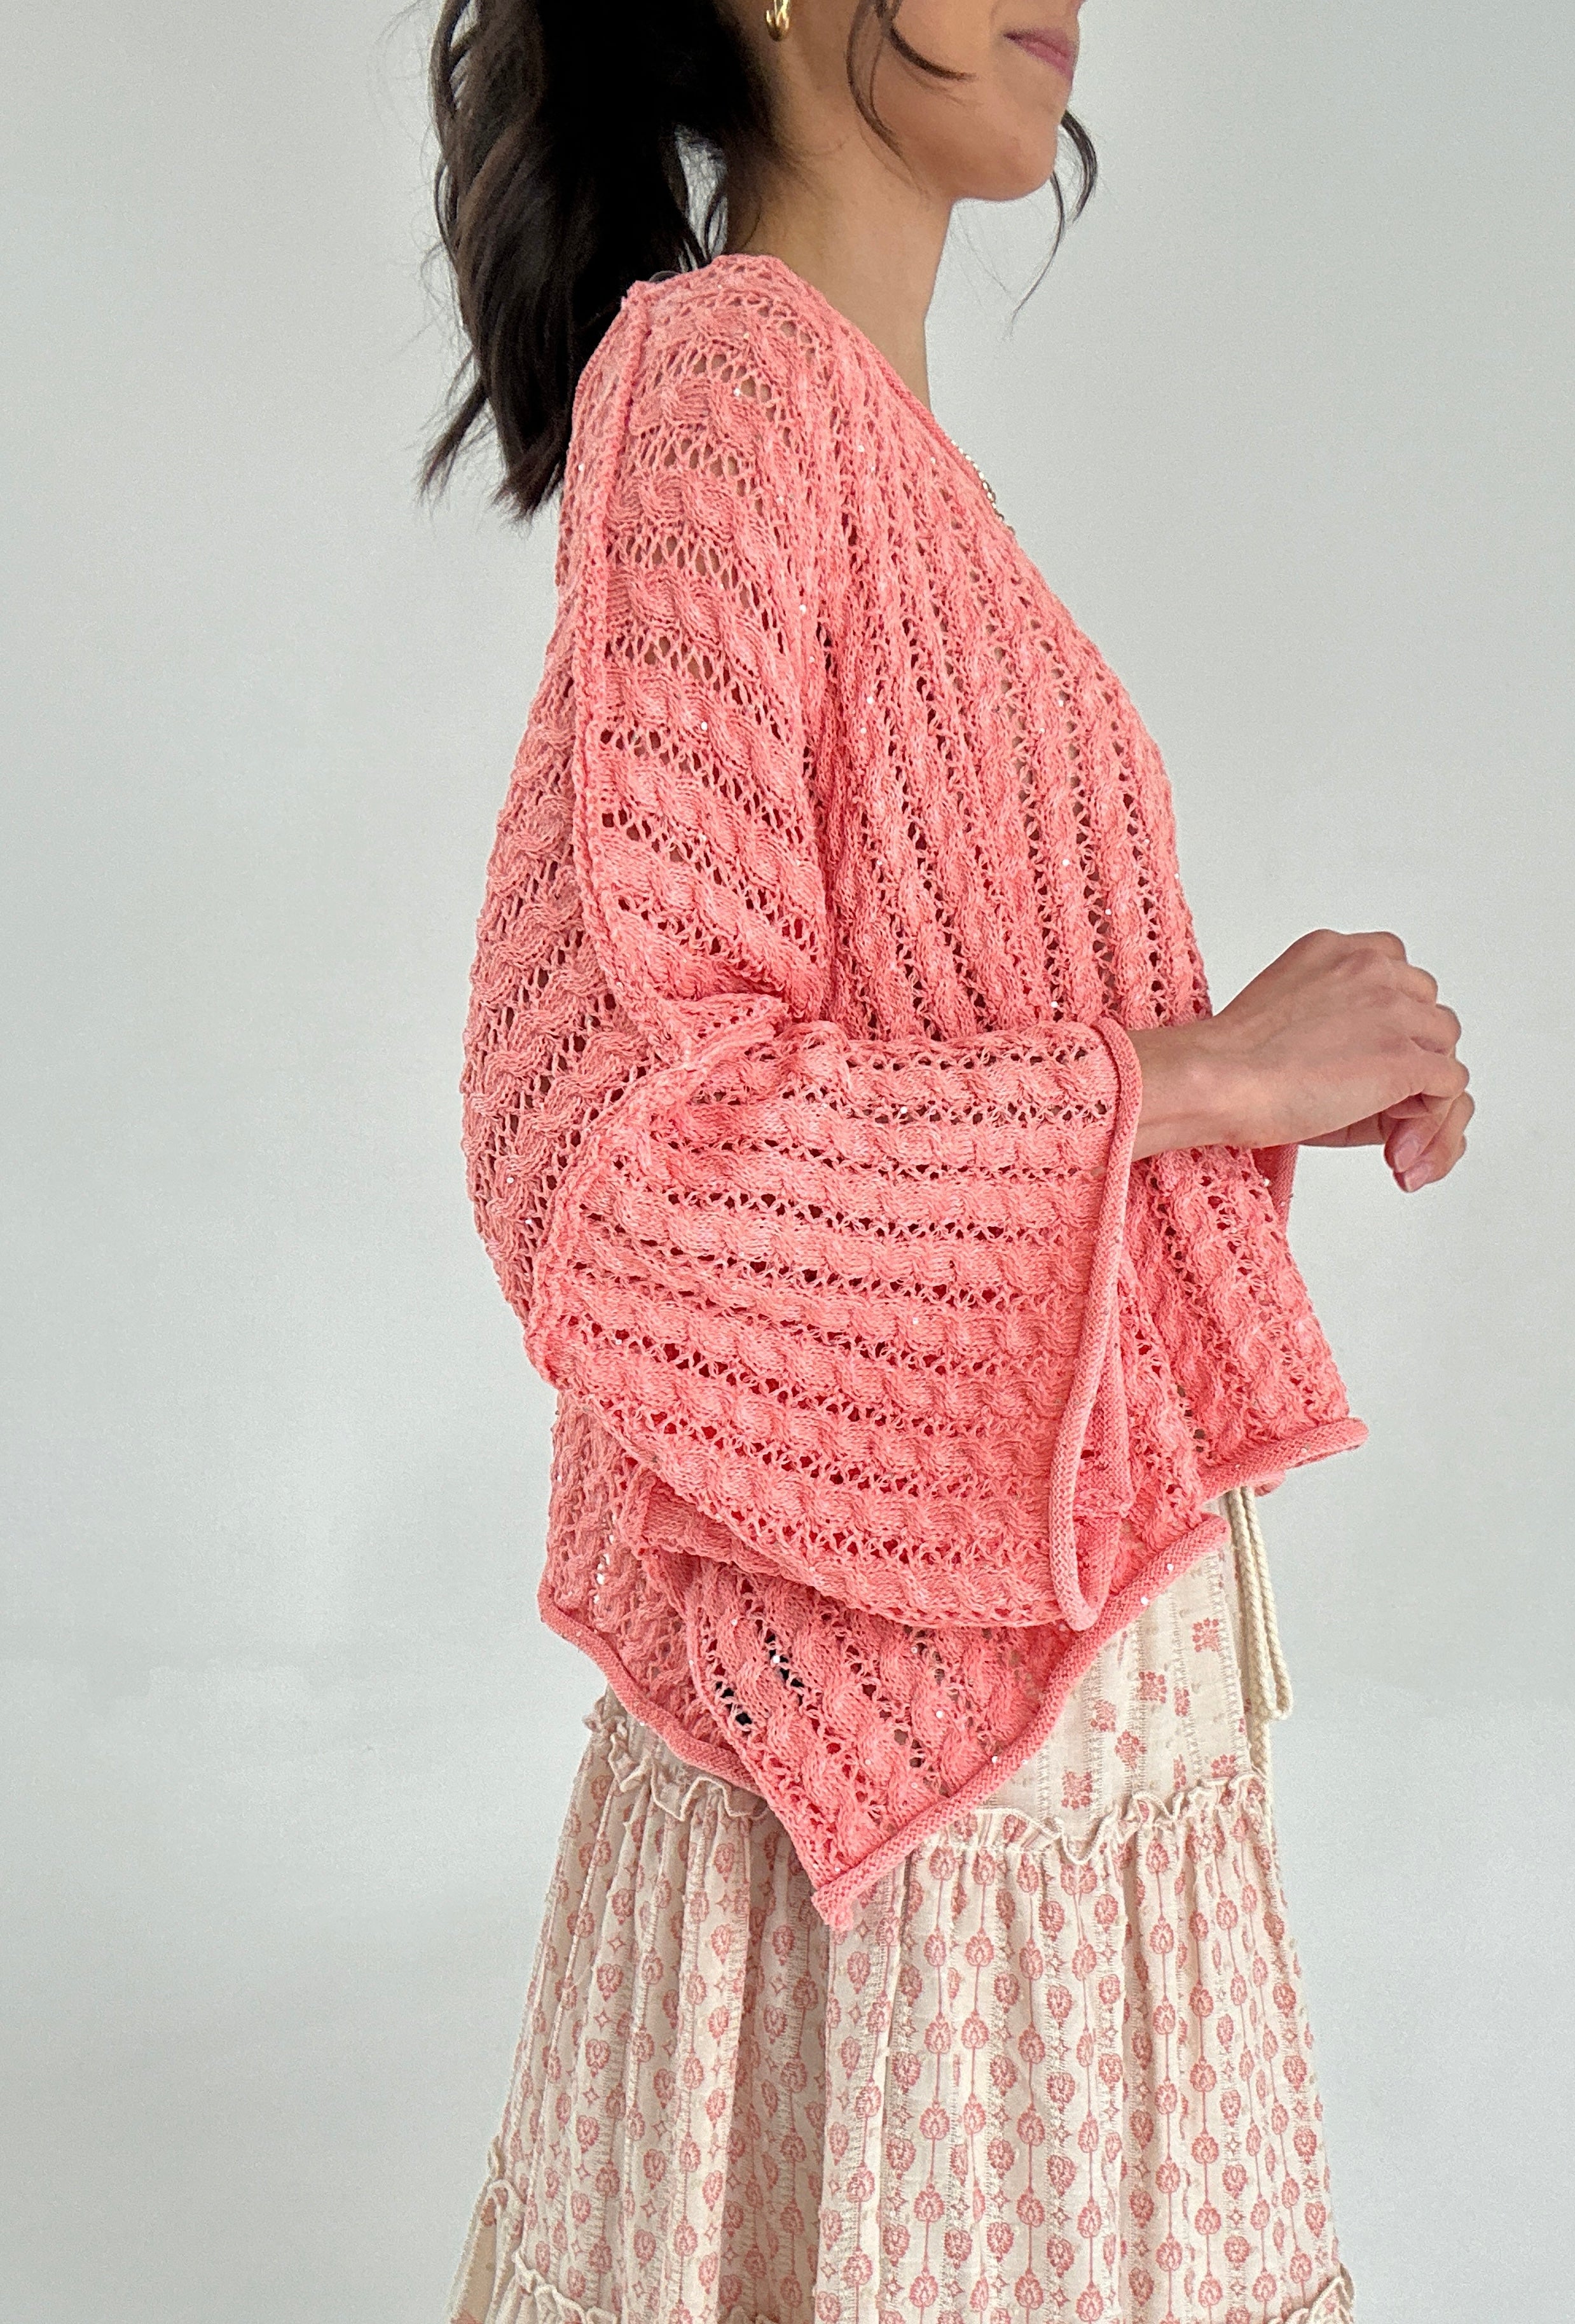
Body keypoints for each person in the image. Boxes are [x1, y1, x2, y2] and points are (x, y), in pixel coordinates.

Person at [421, 4, 1473, 2319]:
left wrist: (1272, 1060)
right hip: (916, 1802)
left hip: (1049, 1778)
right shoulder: (724, 391)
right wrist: (1189, 1080)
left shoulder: (872, 447)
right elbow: (625, 1168)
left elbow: (920, 1035)